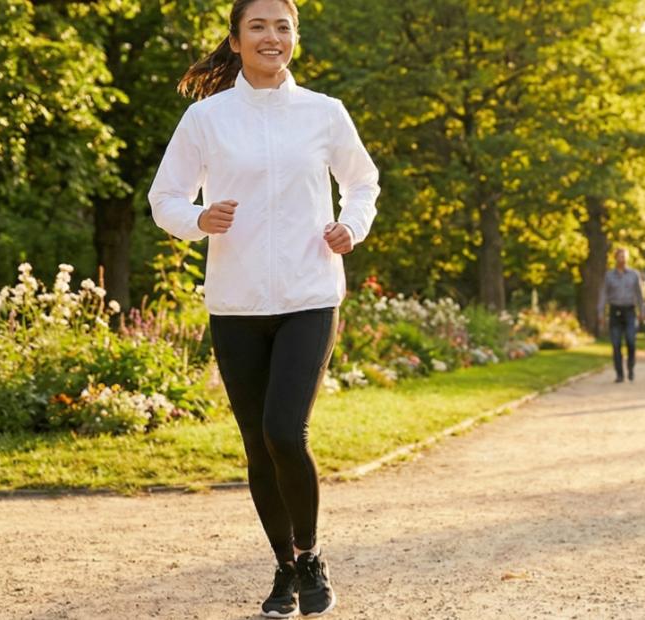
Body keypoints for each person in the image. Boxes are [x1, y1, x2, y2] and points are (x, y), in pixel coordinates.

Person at [148, 1, 378, 615]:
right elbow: (164, 197)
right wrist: (198, 219)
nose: (271, 37)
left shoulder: (324, 113)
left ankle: (310, 555)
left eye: (283, 27)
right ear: (236, 39)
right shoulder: (207, 119)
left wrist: (350, 225)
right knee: (256, 443)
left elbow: (363, 182)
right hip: (237, 300)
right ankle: (284, 569)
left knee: (285, 430)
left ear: (294, 39)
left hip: (310, 292)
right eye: (259, 26)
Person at [598, 247, 645, 383]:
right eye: (620, 256)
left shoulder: (634, 275)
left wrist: (642, 311)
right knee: (616, 343)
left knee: (631, 341)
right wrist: (600, 312)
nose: (622, 259)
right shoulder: (609, 276)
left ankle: (631, 367)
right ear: (616, 258)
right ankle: (619, 373)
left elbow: (639, 294)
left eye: (624, 256)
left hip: (629, 311)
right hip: (615, 311)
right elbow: (603, 294)